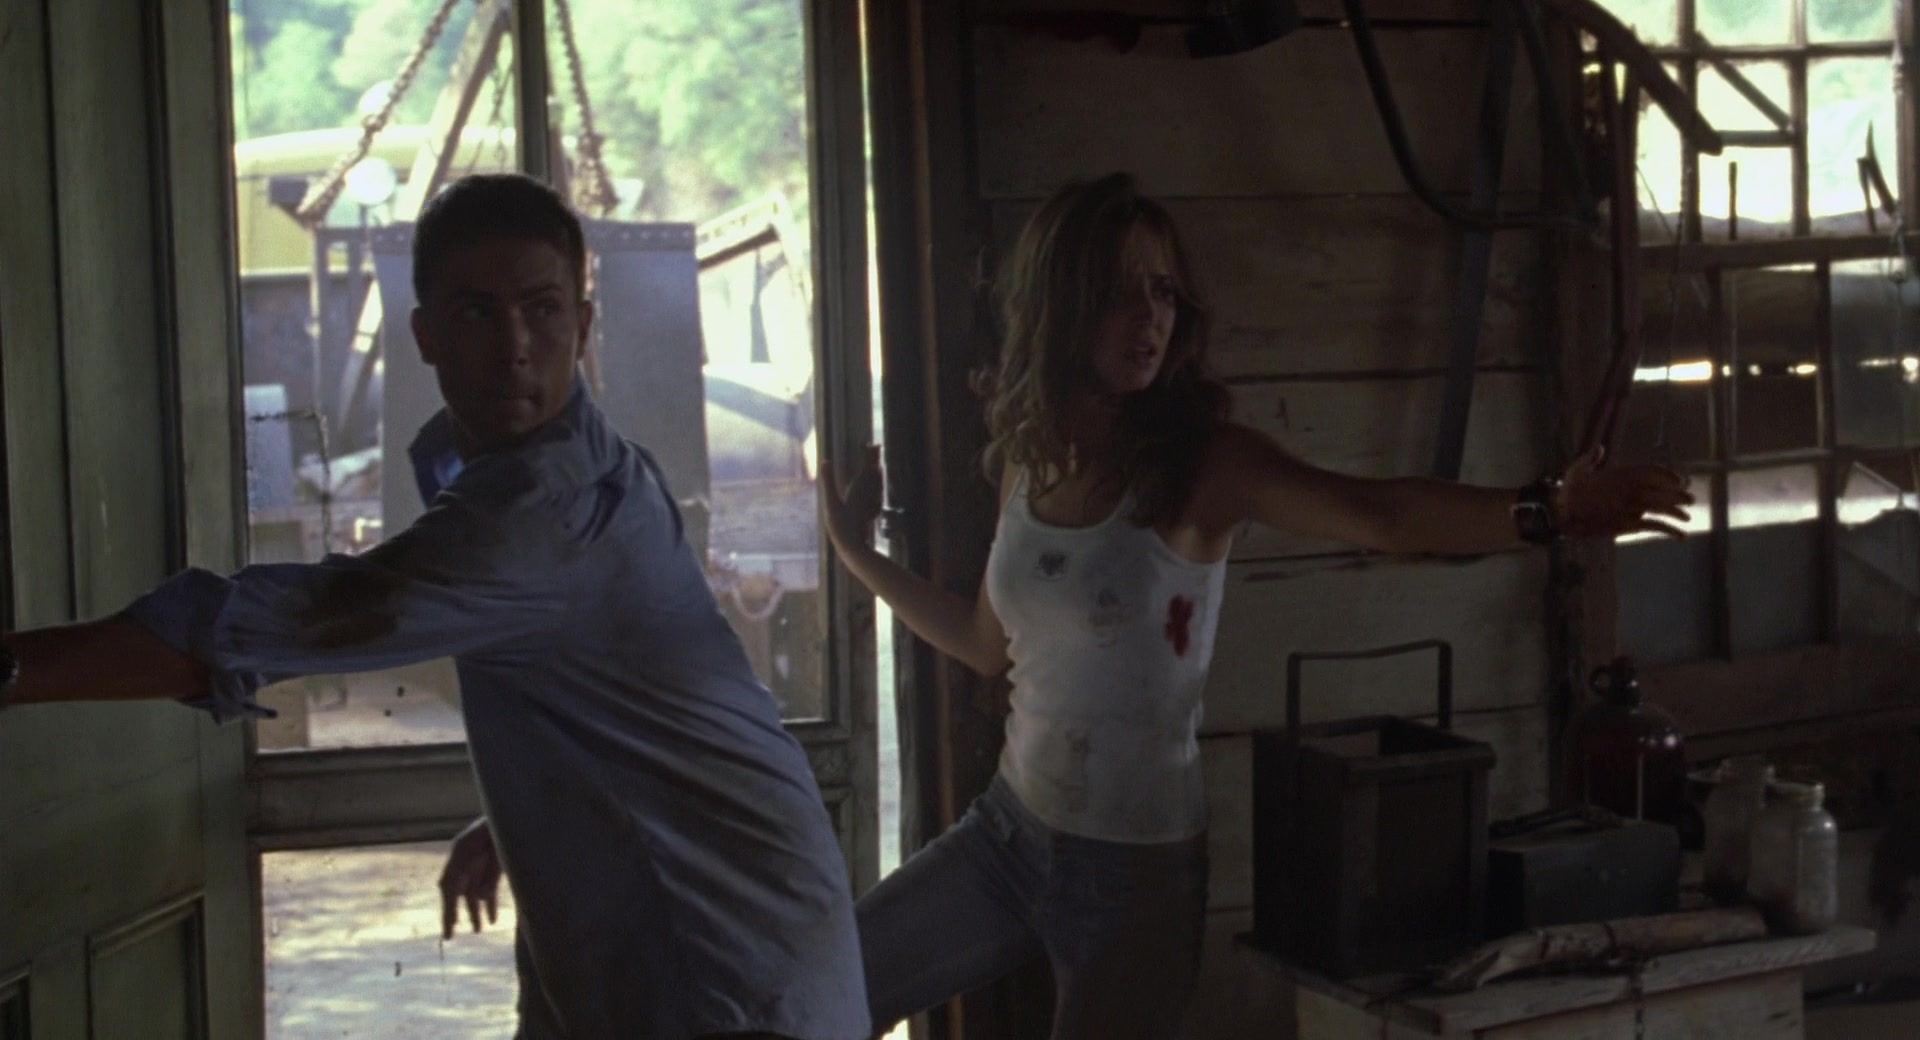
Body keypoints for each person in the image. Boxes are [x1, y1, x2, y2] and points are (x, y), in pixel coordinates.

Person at [820, 172, 1692, 1040]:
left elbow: (1380, 516)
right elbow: (987, 644)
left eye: (1164, 291)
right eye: (1121, 291)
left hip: (1134, 877)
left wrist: (1547, 510)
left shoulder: (1204, 465)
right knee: (816, 987)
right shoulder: (1029, 458)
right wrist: (859, 555)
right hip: (1007, 836)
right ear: (1060, 303)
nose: (1150, 316)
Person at [0, 173, 868, 1040]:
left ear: (583, 327)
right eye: (478, 314)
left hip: (725, 975)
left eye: (542, 310)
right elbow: (628, 697)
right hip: (722, 934)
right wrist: (521, 817)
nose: (515, 347)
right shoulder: (591, 463)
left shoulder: (543, 510)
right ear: (426, 335)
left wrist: (13, 670)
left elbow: (264, 626)